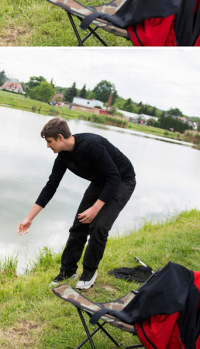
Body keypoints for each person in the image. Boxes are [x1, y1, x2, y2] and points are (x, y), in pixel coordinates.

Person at [17, 117, 136, 289]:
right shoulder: (63, 157)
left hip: (122, 181)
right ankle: (67, 271)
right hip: (101, 181)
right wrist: (29, 218)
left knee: (99, 226)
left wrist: (95, 209)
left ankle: (89, 271)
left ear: (60, 137)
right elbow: (51, 186)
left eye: (49, 142)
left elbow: (114, 176)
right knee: (79, 225)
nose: (48, 146)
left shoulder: (91, 145)